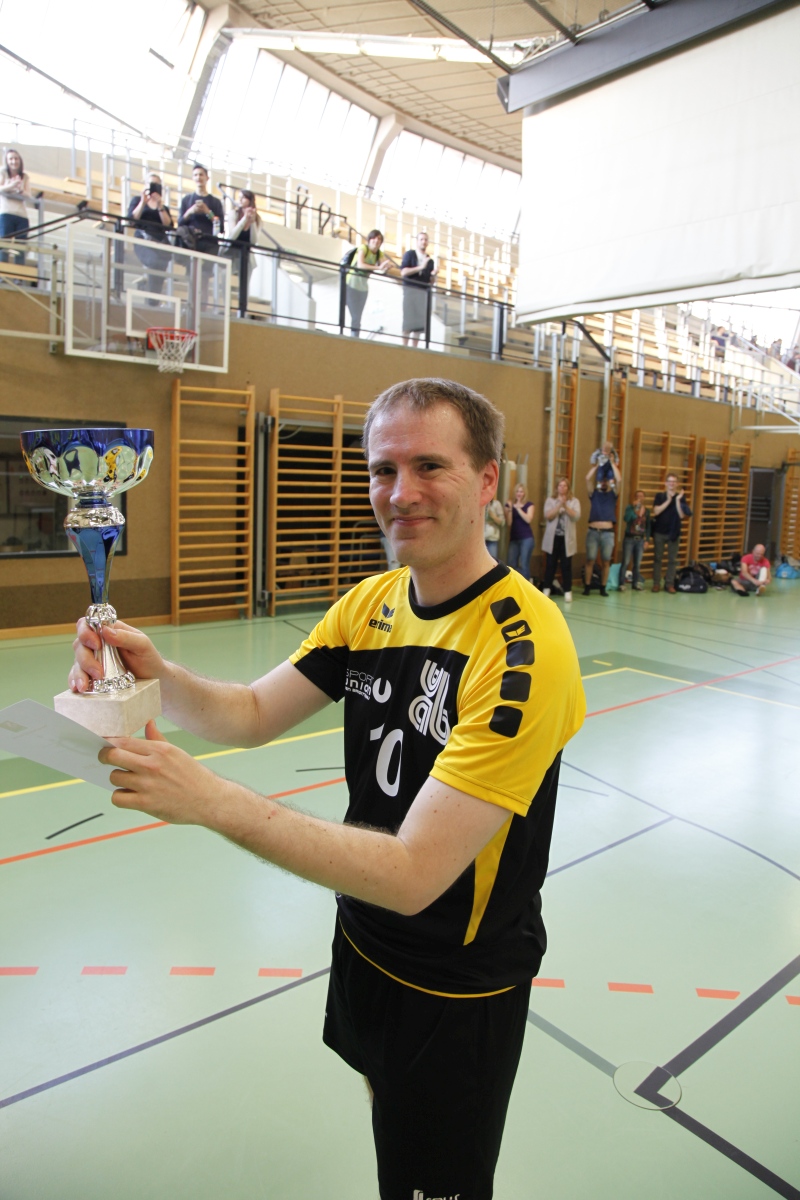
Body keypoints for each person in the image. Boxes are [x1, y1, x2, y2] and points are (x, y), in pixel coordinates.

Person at [70, 377, 586, 1200]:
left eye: (429, 466)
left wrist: (212, 801)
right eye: (383, 469)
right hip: (363, 937)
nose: (400, 493)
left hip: (457, 984)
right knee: (390, 1124)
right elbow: (249, 713)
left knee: (433, 1179)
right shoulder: (372, 602)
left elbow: (416, 874)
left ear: (488, 480)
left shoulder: (524, 646)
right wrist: (154, 675)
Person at [127, 173, 174, 298]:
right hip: (143, 240)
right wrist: (143, 202)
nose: (154, 187)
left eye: (157, 185)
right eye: (151, 184)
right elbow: (132, 220)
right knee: (154, 261)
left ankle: (153, 299)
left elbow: (168, 225)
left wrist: (159, 206)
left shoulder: (163, 207)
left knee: (160, 266)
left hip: (160, 242)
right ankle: (150, 295)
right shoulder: (137, 200)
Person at [583, 454, 621, 597]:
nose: (604, 483)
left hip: (607, 533)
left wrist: (612, 463)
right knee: (590, 560)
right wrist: (597, 465)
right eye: (602, 480)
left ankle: (603, 587)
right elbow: (587, 479)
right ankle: (587, 586)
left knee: (606, 561)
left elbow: (619, 480)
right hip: (593, 531)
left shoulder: (613, 495)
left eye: (606, 480)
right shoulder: (594, 494)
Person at [345, 229, 391, 338]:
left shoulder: (378, 253)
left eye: (379, 239)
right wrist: (378, 267)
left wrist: (385, 267)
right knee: (355, 315)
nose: (376, 241)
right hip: (351, 283)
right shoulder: (363, 248)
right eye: (374, 238)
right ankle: (353, 337)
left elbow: (382, 265)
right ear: (369, 239)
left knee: (357, 316)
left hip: (363, 287)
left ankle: (355, 337)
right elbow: (360, 265)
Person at [651, 473, 692, 593]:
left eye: (674, 481)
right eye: (669, 481)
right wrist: (668, 500)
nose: (671, 483)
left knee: (672, 560)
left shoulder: (681, 497)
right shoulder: (660, 496)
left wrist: (677, 501)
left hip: (674, 532)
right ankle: (656, 583)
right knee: (658, 558)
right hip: (659, 531)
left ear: (677, 484)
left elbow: (681, 515)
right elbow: (656, 511)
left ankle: (669, 584)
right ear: (666, 483)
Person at [541, 478, 581, 601]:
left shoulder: (574, 501)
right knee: (550, 564)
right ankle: (546, 589)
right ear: (557, 487)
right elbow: (548, 515)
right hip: (553, 539)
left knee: (566, 565)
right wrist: (559, 505)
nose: (562, 488)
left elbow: (576, 516)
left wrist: (565, 506)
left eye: (565, 486)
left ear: (568, 488)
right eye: (560, 485)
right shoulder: (550, 500)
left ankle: (568, 590)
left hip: (567, 539)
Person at [177, 163, 224, 255]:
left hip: (209, 243)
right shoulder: (186, 200)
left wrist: (208, 212)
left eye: (201, 174)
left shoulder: (215, 202)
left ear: (207, 178)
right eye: (195, 175)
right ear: (193, 178)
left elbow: (221, 228)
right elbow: (180, 223)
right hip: (190, 243)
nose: (198, 177)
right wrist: (190, 212)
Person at [400, 230, 437, 347]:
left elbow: (430, 282)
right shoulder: (410, 254)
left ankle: (414, 349)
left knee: (419, 325)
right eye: (421, 239)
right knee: (408, 321)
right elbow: (404, 272)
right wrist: (421, 267)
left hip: (422, 294)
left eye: (425, 240)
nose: (423, 242)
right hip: (410, 291)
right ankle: (404, 348)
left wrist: (434, 275)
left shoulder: (430, 261)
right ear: (417, 241)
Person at [0, 149, 33, 266]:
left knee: (20, 248)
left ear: (20, 160)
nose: (14, 161)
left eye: (16, 158)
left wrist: (19, 190)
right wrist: (11, 185)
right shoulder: (3, 173)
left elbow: (28, 195)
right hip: (6, 213)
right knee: (4, 245)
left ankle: (19, 273)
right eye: (11, 159)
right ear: (7, 161)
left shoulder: (25, 176)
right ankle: (2, 272)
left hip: (21, 215)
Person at [619, 489, 651, 591]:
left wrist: (647, 540)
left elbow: (648, 526)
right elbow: (627, 519)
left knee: (637, 563)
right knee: (626, 561)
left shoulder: (647, 511)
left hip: (640, 540)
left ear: (644, 498)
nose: (639, 498)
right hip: (629, 538)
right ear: (635, 498)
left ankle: (635, 583)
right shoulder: (629, 508)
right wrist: (634, 509)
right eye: (638, 496)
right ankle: (621, 583)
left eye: (641, 496)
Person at [504, 482, 535, 581]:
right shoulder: (509, 505)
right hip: (514, 538)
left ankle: (526, 584)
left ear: (524, 493)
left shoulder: (529, 505)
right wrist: (510, 509)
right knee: (511, 564)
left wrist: (518, 508)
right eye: (517, 491)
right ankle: (514, 585)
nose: (519, 493)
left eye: (521, 491)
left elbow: (528, 519)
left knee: (524, 563)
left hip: (526, 538)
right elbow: (509, 523)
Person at [484, 488, 505, 559]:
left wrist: (493, 516)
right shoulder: (479, 503)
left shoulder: (496, 504)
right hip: (480, 539)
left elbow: (502, 522)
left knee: (492, 560)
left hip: (492, 538)